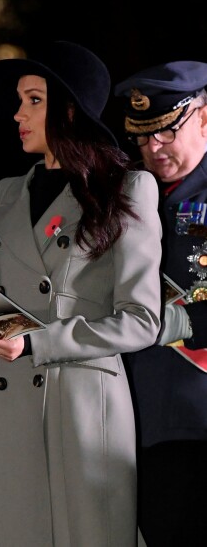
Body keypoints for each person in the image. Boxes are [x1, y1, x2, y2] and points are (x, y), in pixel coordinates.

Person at [0, 40, 163, 546]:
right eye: (19, 100)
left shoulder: (128, 190)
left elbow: (140, 320)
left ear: (68, 110)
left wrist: (39, 341)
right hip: (6, 407)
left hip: (82, 413)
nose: (17, 113)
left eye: (33, 100)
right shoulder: (5, 193)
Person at [115, 62, 207, 547]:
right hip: (133, 413)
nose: (153, 149)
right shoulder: (129, 191)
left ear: (204, 118)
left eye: (166, 133)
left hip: (196, 413)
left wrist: (165, 320)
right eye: (142, 137)